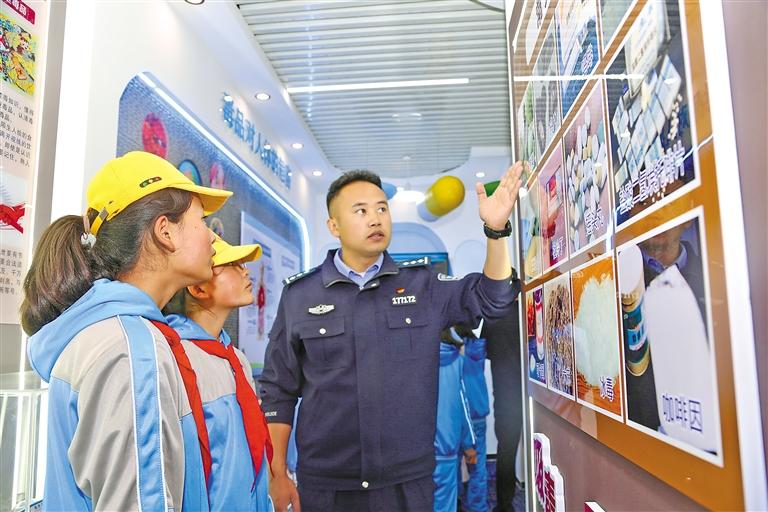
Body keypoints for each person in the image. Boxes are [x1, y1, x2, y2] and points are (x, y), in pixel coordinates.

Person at [260, 162, 524, 512]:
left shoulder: (422, 285)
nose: (375, 219)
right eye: (361, 211)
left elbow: (494, 297)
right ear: (333, 226)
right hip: (328, 485)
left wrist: (496, 231)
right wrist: (277, 473)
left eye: (382, 209)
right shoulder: (300, 296)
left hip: (406, 483)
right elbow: (278, 390)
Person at [22, 151, 231, 510]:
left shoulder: (108, 334)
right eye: (201, 221)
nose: (213, 238)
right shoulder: (132, 351)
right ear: (165, 231)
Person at [163, 235, 273, 511]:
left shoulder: (236, 359)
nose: (245, 271)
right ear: (198, 288)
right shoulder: (177, 359)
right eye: (233, 265)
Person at [481, 270, 523, 512]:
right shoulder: (525, 312)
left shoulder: (492, 315)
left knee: (505, 449)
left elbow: (486, 352)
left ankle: (504, 504)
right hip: (533, 391)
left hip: (504, 391)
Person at [433, 329, 476, 512]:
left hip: (418, 448)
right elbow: (462, 404)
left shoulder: (414, 359)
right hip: (448, 446)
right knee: (445, 503)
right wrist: (469, 443)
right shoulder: (456, 361)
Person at [459, 325, 490, 512]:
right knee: (477, 468)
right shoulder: (477, 342)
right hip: (476, 410)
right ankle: (477, 508)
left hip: (453, 413)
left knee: (449, 465)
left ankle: (453, 504)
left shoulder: (444, 343)